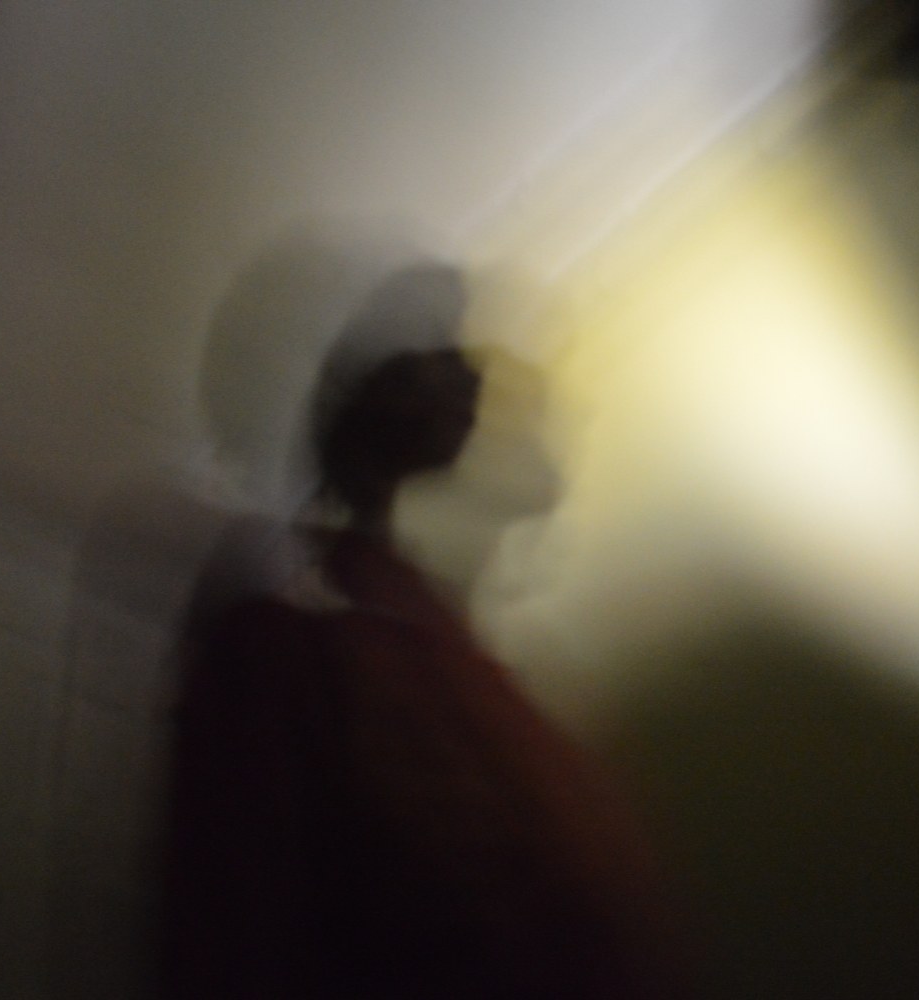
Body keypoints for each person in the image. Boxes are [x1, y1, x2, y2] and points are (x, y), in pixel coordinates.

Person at [161, 287, 692, 998]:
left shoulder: (520, 699)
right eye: (494, 390)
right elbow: (234, 942)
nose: (539, 407)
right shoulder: (289, 655)